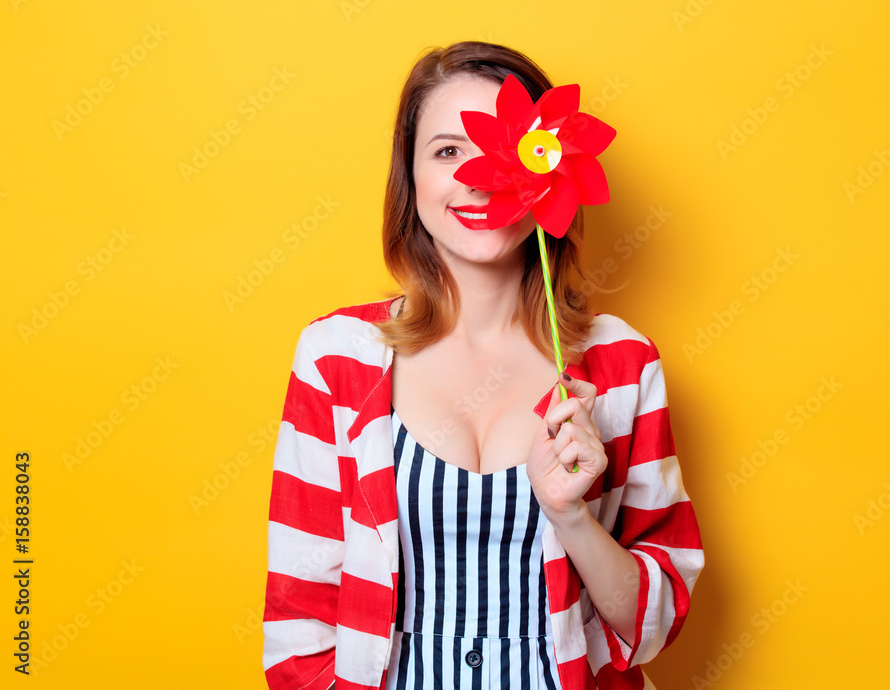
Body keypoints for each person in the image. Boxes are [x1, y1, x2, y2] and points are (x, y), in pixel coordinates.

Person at [262, 41, 703, 690]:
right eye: (448, 150)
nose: (478, 177)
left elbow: (652, 626)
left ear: (553, 168)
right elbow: (299, 621)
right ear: (410, 178)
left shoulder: (622, 365)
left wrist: (572, 515)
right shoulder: (338, 356)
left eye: (503, 150)